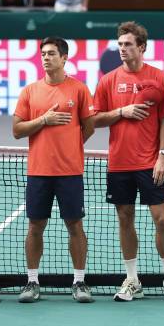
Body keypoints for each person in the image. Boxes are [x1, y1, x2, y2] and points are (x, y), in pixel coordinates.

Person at [93, 21, 164, 302]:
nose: (122, 49)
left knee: (162, 220)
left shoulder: (159, 78)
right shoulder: (108, 80)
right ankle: (132, 279)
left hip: (150, 163)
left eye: (128, 44)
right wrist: (122, 111)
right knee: (125, 219)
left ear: (142, 47)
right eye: (120, 44)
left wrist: (162, 156)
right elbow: (95, 120)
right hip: (119, 164)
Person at [12, 37, 96, 303]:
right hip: (38, 171)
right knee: (35, 226)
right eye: (43, 54)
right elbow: (17, 130)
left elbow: (89, 126)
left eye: (51, 54)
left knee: (75, 226)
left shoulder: (79, 90)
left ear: (64, 58)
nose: (46, 58)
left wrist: (71, 145)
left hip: (70, 171)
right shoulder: (29, 92)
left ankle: (80, 282)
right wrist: (44, 120)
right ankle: (32, 282)